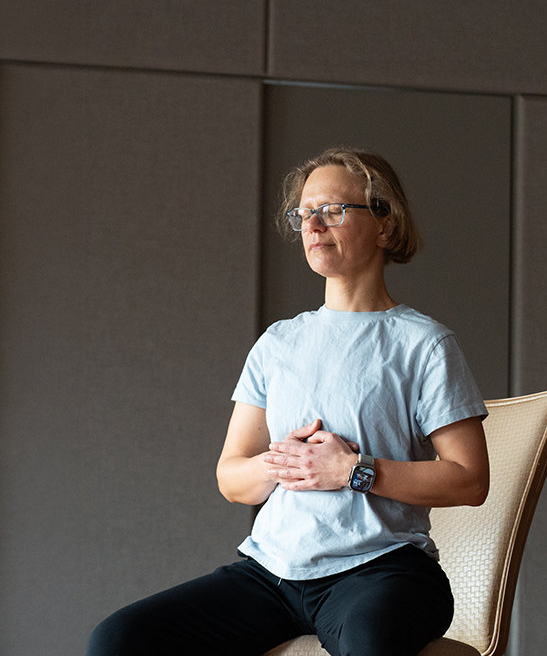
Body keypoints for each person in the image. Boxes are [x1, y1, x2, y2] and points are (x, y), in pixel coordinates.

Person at [89, 148, 489, 656]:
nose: (313, 225)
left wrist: (352, 471)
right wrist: (282, 464)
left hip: (382, 569)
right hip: (270, 572)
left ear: (385, 225)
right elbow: (232, 479)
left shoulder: (424, 344)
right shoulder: (278, 343)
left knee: (370, 642)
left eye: (333, 210)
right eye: (303, 213)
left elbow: (470, 479)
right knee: (119, 640)